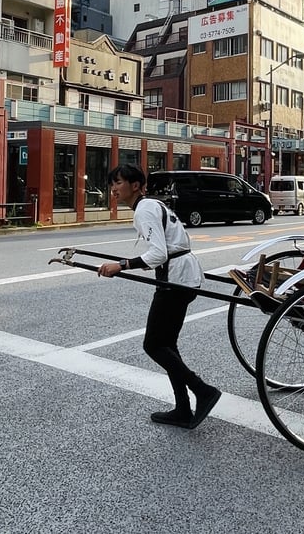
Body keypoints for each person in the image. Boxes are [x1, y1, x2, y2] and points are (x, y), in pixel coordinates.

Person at [97, 164, 222, 429]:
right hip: (181, 276)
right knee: (168, 345)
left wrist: (120, 266)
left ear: (135, 185)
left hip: (176, 280)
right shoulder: (151, 205)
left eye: (118, 182)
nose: (114, 188)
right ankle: (183, 409)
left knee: (153, 345)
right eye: (112, 183)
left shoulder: (144, 209)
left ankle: (203, 391)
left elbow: (158, 254)